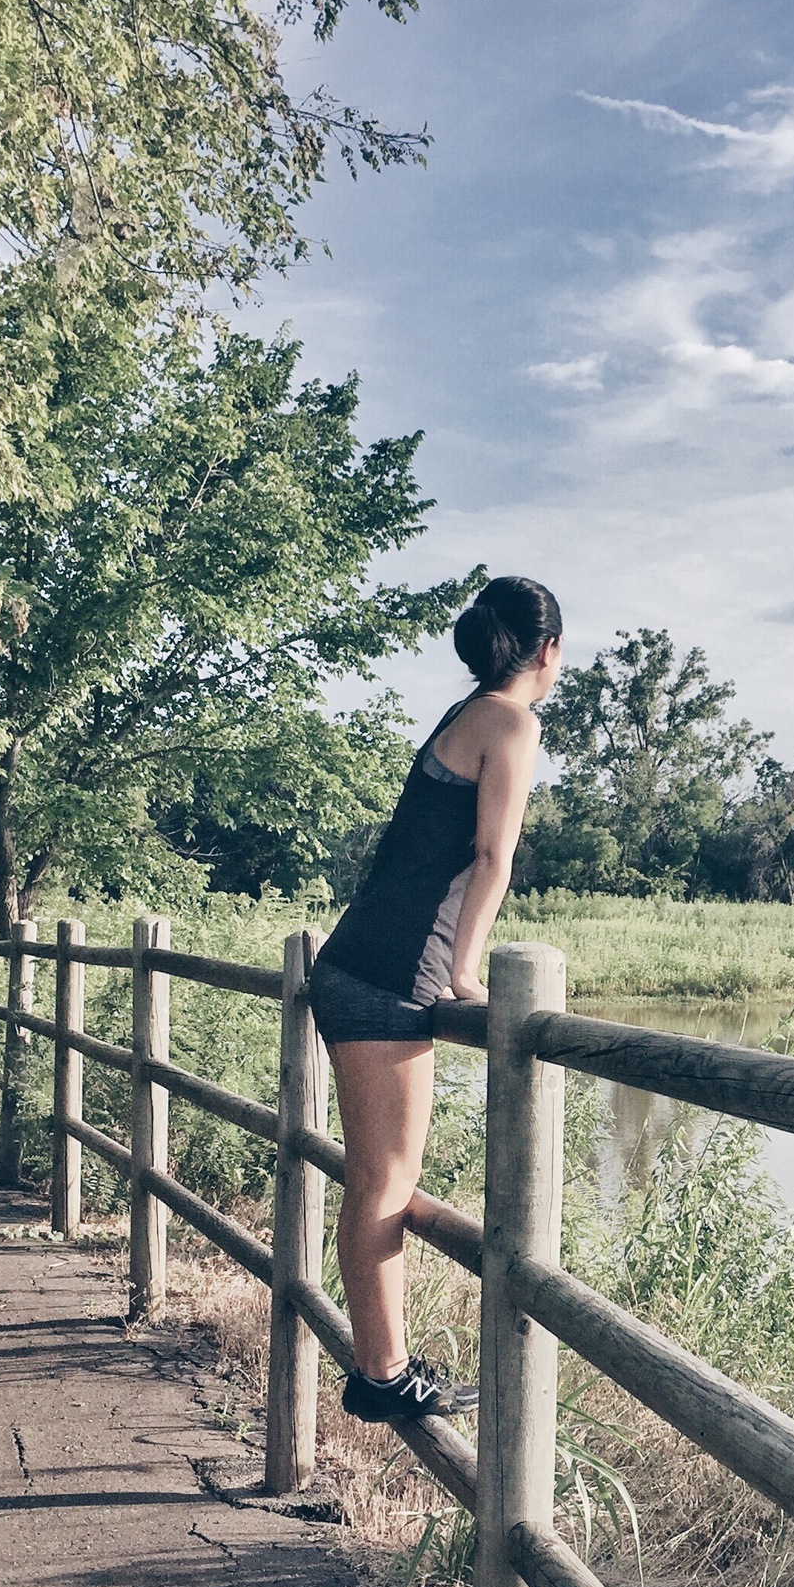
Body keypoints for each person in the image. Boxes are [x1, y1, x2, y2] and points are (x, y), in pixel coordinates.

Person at [313, 576, 564, 1423]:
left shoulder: (463, 716)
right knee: (386, 1182)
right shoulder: (513, 723)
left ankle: (380, 1366)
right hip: (392, 975)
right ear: (548, 652)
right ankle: (380, 1376)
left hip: (360, 959)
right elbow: (492, 858)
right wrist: (462, 977)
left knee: (375, 1178)